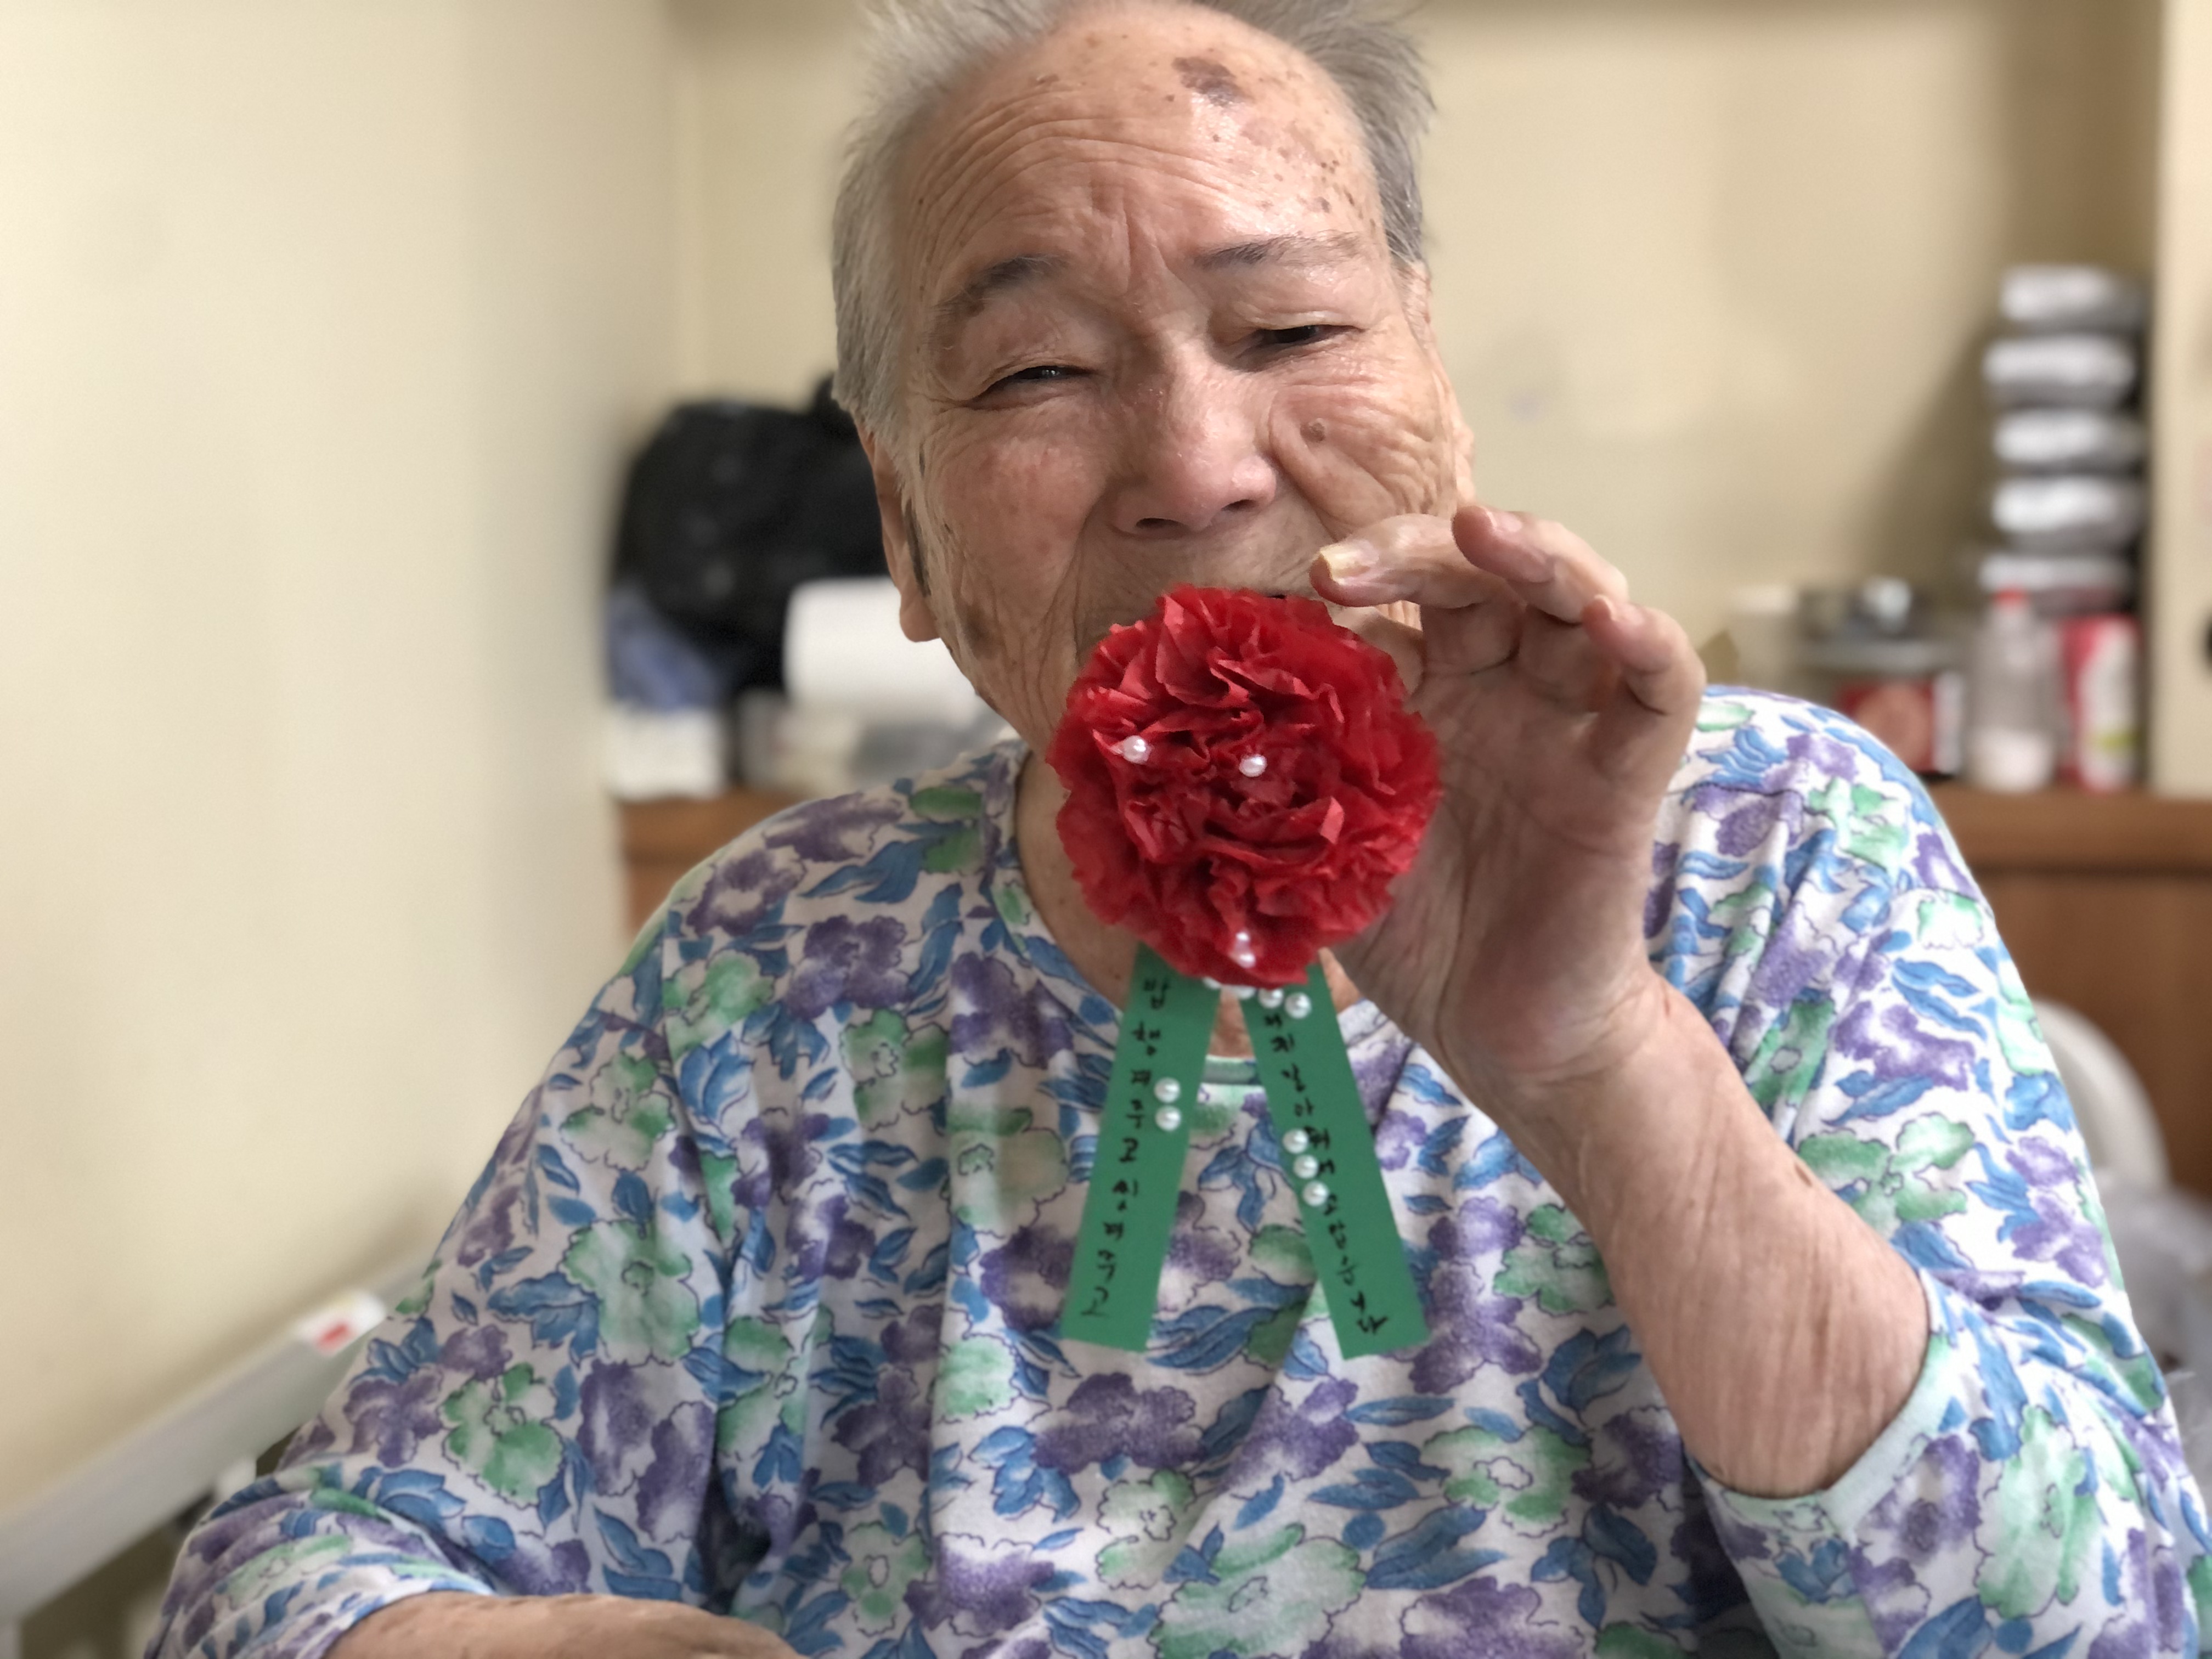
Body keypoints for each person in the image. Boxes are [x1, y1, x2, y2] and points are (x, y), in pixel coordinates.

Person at [154, 1, 2207, 1654]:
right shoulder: (772, 968)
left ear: (1434, 383)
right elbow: (291, 1571)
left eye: (1294, 330)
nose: (1201, 464)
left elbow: (2106, 1621)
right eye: (1039, 370)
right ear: (906, 524)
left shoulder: (1776, 844)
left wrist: (1601, 1055)